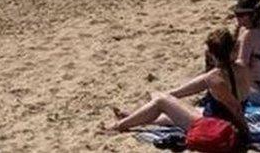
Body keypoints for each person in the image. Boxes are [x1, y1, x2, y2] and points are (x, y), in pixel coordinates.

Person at [106, 28, 251, 147]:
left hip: (214, 127)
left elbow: (235, 108)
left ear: (212, 54)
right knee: (173, 108)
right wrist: (172, 94)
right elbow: (190, 88)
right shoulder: (242, 68)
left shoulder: (215, 78)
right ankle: (133, 116)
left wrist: (246, 135)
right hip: (222, 120)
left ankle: (118, 126)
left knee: (161, 101)